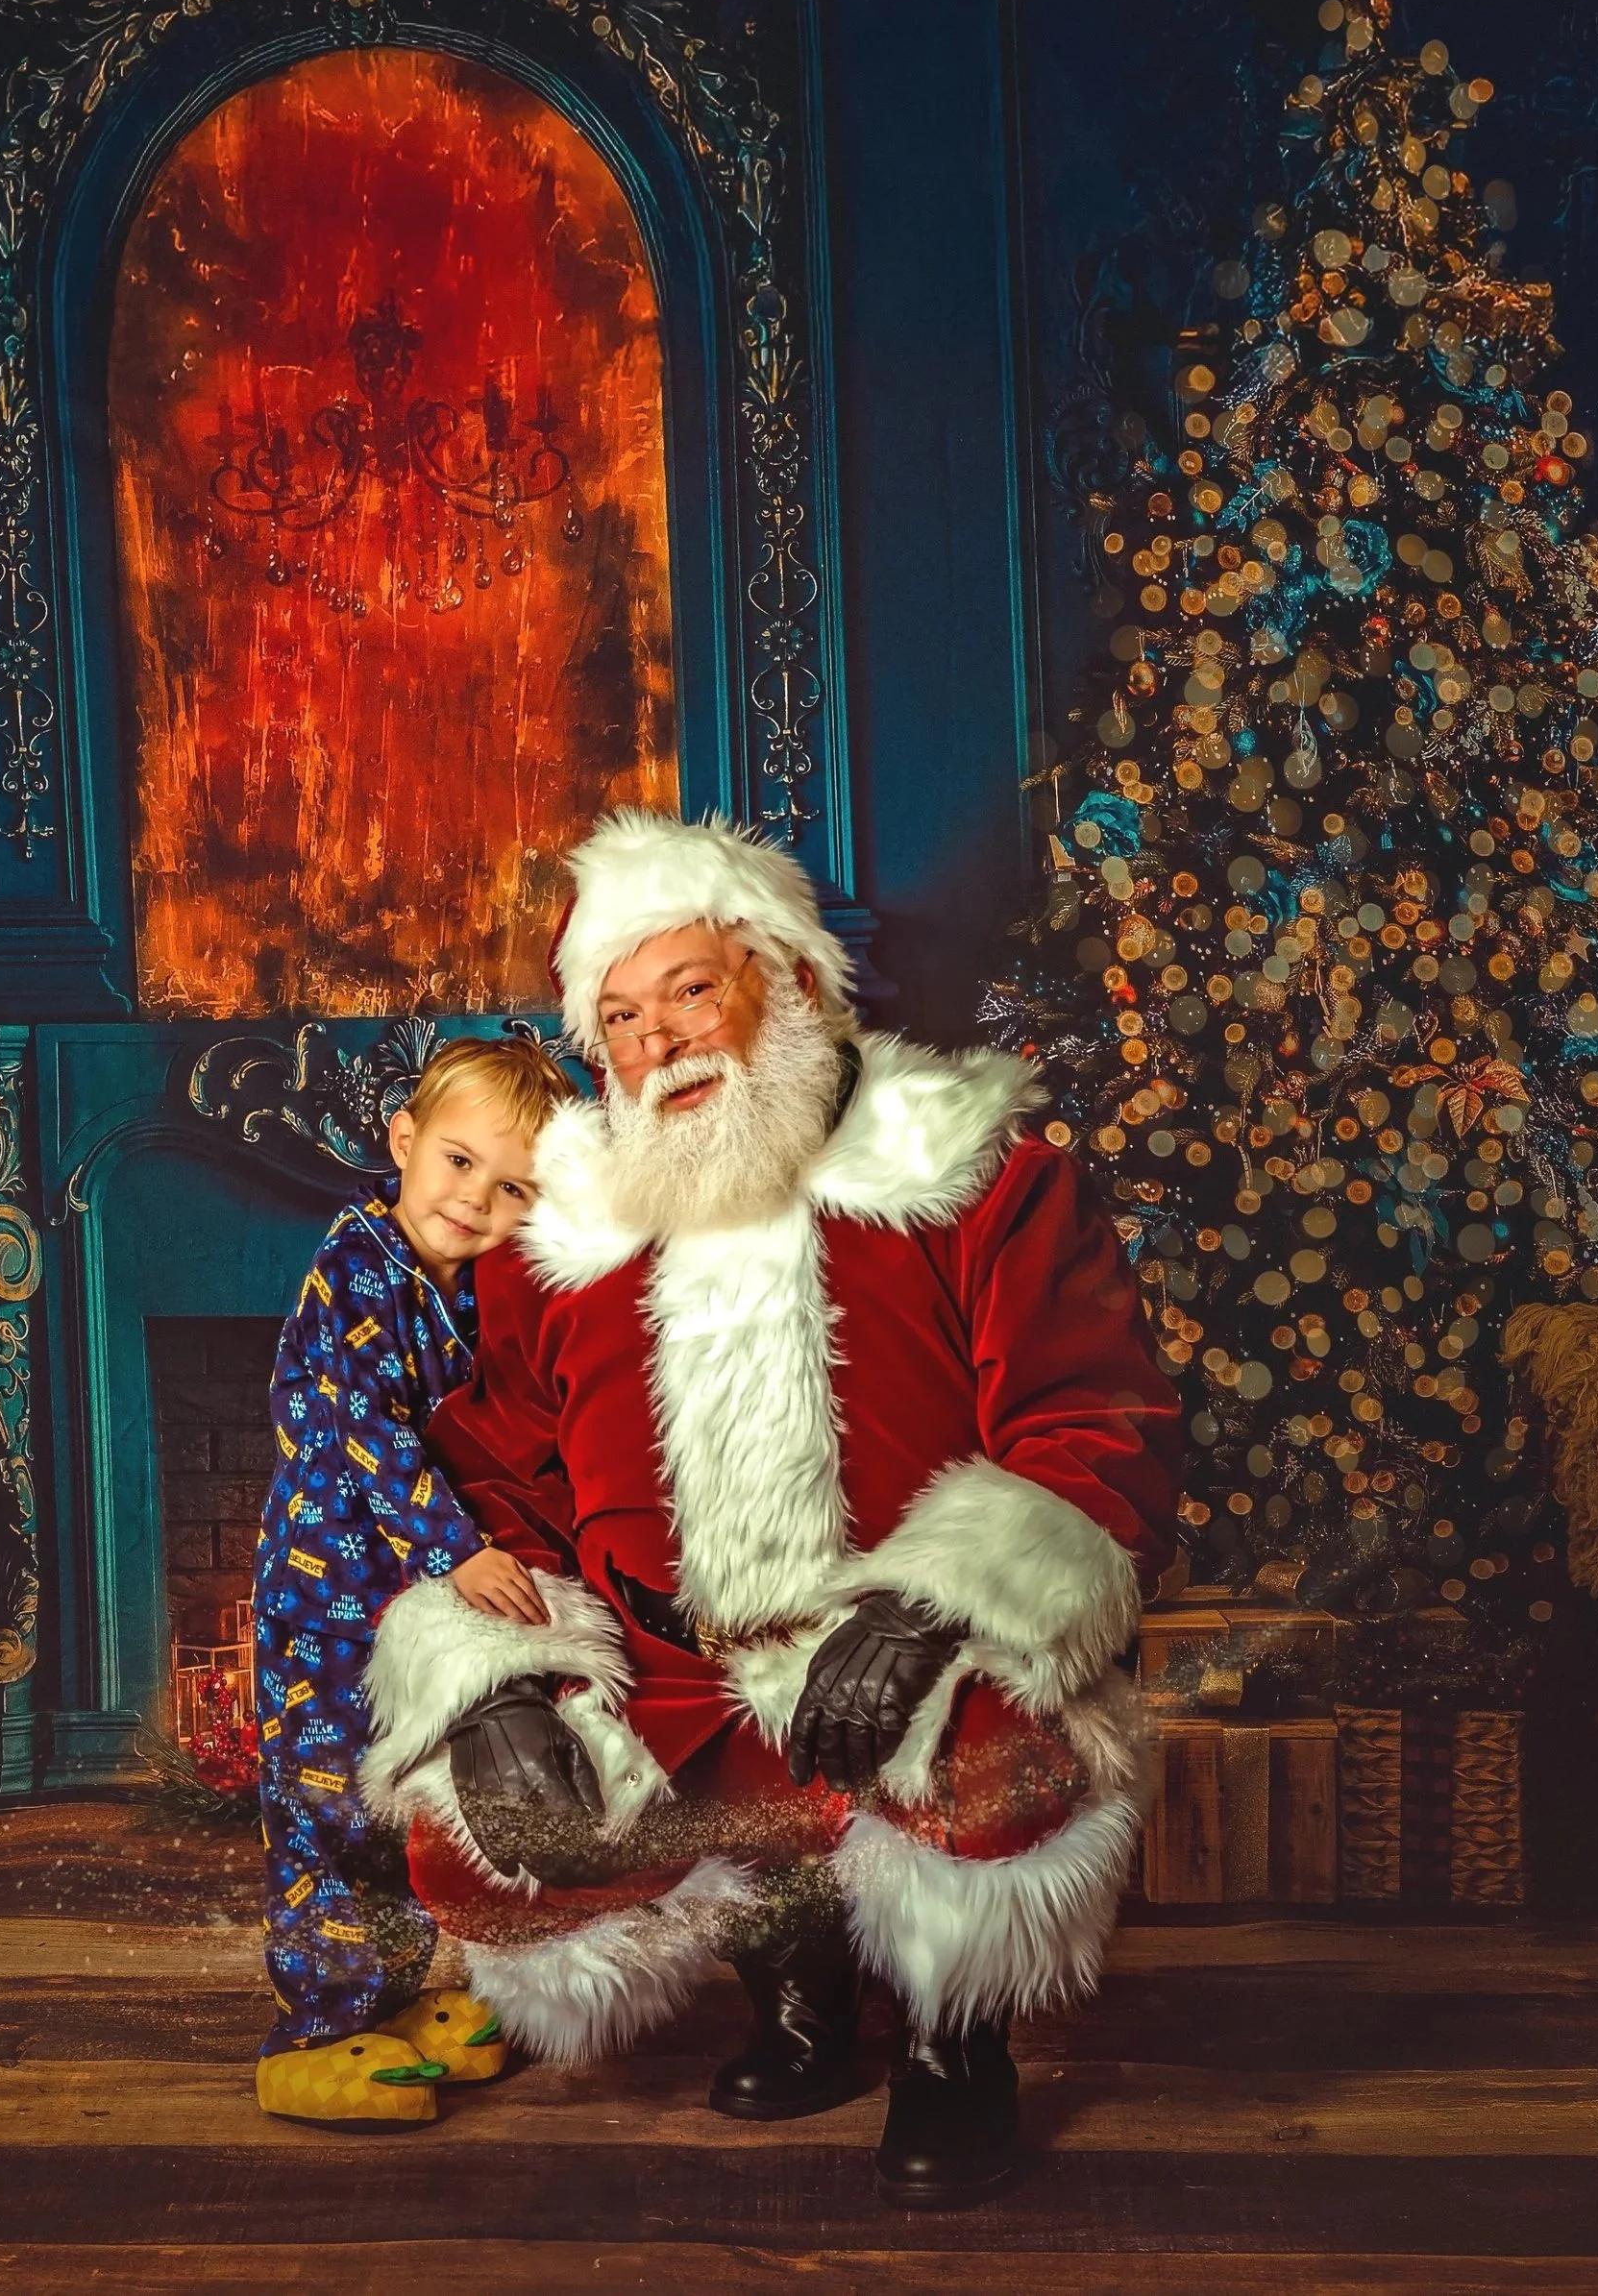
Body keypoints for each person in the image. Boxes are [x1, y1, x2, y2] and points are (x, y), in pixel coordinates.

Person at [356, 810, 1181, 2204]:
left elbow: (1091, 1421)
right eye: (618, 1016)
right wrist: (497, 1684)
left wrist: (932, 1605)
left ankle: (949, 2040)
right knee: (483, 1829)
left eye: (690, 988)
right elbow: (502, 1473)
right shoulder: (557, 1243)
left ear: (790, 981)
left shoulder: (981, 1179)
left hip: (904, 1646)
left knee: (990, 1760)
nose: (660, 1040)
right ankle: (799, 1986)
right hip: (670, 1654)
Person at [249, 1035, 575, 2124]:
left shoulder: (471, 1287)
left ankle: (388, 1996)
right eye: (458, 1162)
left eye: (514, 1185)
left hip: (401, 1602)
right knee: (325, 1803)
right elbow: (362, 1434)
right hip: (325, 1586)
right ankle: (313, 2031)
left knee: (395, 1800)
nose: (477, 1200)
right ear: (403, 1142)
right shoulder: (353, 1266)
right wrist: (459, 1548)